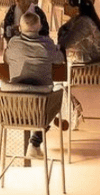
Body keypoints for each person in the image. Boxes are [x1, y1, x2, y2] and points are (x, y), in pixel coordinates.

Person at [4, 12, 62, 158]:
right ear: (40, 26)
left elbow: (6, 58)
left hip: (13, 108)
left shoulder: (13, 43)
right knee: (58, 94)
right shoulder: (47, 43)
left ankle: (33, 143)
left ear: (19, 27)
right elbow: (60, 60)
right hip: (41, 108)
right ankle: (35, 142)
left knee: (39, 98)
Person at [56, 0, 100, 130]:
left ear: (75, 8)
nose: (63, 6)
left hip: (90, 68)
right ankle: (71, 108)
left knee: (51, 76)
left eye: (66, 4)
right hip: (85, 62)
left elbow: (64, 42)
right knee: (54, 75)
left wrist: (63, 32)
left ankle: (70, 111)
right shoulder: (79, 19)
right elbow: (62, 34)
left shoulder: (83, 23)